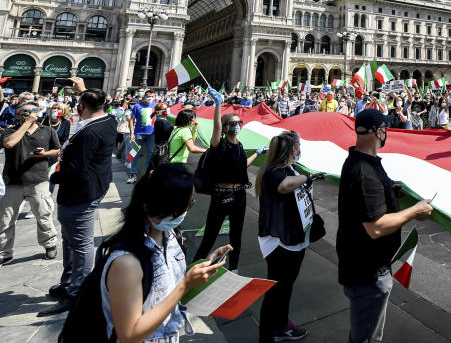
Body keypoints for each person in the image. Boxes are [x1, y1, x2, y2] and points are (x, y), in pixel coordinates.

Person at [100, 163, 229, 343]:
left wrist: (201, 269)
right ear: (153, 207)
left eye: (191, 203)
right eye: (183, 207)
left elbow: (167, 285)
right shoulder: (126, 264)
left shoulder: (170, 234)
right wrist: (184, 285)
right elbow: (129, 335)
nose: (186, 211)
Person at [337, 109, 433, 343]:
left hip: (361, 267)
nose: (386, 132)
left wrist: (389, 192)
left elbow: (365, 203)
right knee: (367, 338)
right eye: (385, 128)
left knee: (363, 333)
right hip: (367, 273)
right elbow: (376, 227)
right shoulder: (364, 171)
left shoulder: (359, 160)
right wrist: (414, 210)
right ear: (378, 131)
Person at [42, 79, 118, 315]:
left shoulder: (89, 133)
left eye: (79, 104)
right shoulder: (108, 120)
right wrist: (84, 92)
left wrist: (55, 178)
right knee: (71, 239)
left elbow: (75, 169)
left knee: (82, 245)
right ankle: (69, 283)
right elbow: (102, 107)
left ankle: (77, 293)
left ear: (81, 107)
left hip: (80, 192)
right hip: (92, 187)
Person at [256, 130, 324, 342]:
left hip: (291, 238)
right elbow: (285, 186)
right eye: (299, 145)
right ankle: (267, 335)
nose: (300, 149)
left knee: (285, 287)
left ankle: (281, 325)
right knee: (277, 290)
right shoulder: (275, 172)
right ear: (294, 149)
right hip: (280, 242)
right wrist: (307, 177)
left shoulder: (286, 168)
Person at [193, 91, 264, 270]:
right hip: (222, 196)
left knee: (236, 236)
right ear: (225, 128)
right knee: (210, 236)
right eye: (233, 123)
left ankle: (234, 268)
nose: (238, 125)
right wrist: (219, 105)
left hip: (239, 196)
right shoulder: (220, 146)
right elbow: (216, 128)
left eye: (239, 123)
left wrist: (258, 153)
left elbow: (242, 166)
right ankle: (192, 269)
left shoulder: (239, 146)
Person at [0, 102, 61, 265]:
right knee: (6, 219)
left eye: (34, 110)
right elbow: (9, 144)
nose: (31, 113)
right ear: (18, 115)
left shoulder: (48, 131)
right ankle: (4, 252)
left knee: (43, 214)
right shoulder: (9, 131)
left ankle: (50, 244)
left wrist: (44, 154)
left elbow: (57, 150)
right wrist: (25, 124)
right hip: (13, 181)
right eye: (26, 111)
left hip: (38, 180)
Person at [127, 89, 158, 184]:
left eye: (152, 97)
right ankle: (133, 174)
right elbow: (131, 120)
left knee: (150, 155)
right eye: (148, 96)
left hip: (152, 134)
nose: (150, 98)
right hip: (139, 134)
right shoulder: (137, 106)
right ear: (144, 96)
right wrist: (131, 133)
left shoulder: (156, 106)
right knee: (134, 153)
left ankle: (149, 175)